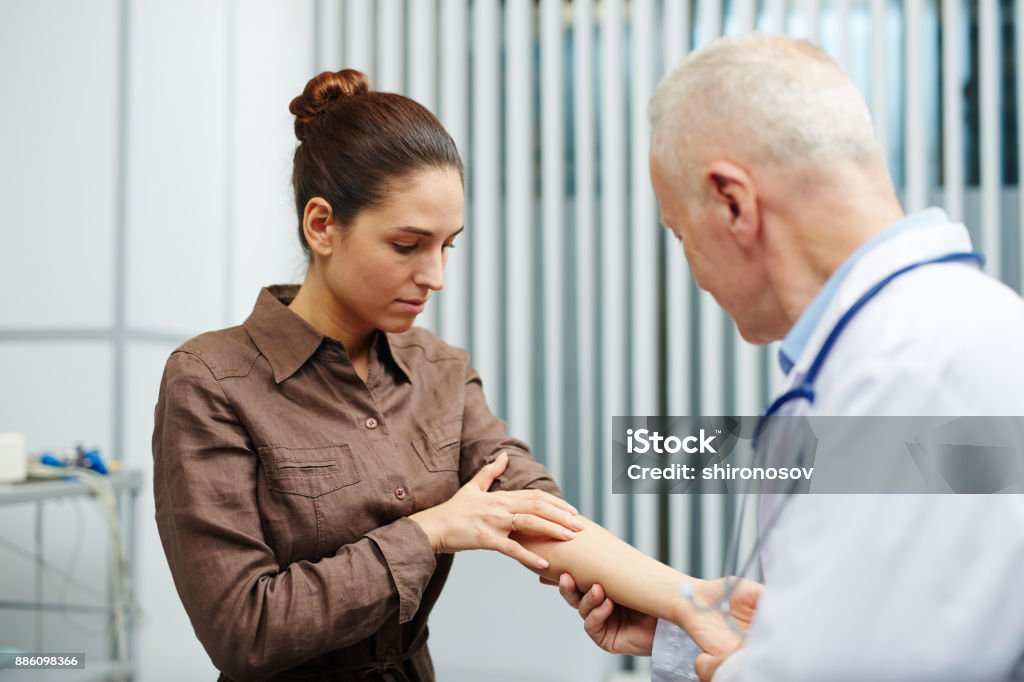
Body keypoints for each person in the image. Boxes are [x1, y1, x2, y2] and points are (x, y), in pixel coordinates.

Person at [552, 33, 1024, 681]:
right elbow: (887, 631)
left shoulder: (912, 369)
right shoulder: (932, 337)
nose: (693, 271)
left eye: (681, 234)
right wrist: (689, 632)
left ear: (733, 203)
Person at [152, 69, 583, 682]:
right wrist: (428, 533)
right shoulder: (211, 381)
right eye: (408, 246)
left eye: (447, 246)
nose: (435, 275)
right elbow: (243, 630)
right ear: (322, 225)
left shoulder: (441, 370)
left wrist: (686, 602)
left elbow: (530, 498)